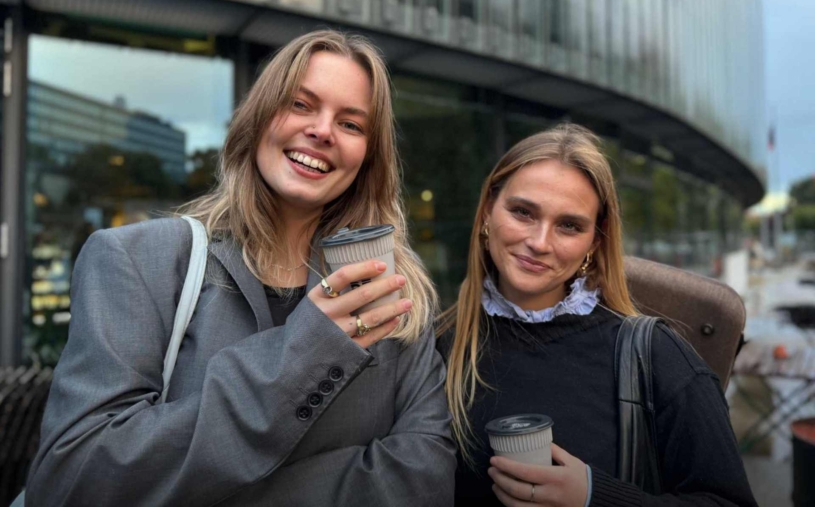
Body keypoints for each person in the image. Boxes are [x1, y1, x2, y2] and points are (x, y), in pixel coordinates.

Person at [26, 30, 455, 506]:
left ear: (369, 158)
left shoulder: (391, 289)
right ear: (259, 116)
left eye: (351, 124)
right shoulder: (137, 260)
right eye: (300, 104)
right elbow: (73, 479)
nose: (323, 131)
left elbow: (425, 478)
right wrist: (307, 352)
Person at [437, 123, 757, 506]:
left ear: (595, 239)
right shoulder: (437, 345)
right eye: (523, 212)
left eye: (569, 226)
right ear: (488, 211)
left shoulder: (655, 357)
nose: (539, 242)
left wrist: (594, 496)